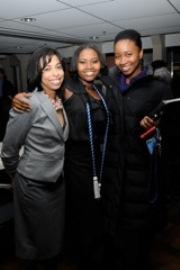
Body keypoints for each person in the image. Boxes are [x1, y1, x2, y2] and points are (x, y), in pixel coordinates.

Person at [11, 43, 124, 270]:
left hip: (99, 164)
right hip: (73, 169)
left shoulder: (103, 87)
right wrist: (18, 98)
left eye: (94, 61)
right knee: (70, 226)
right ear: (73, 65)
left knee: (88, 223)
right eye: (82, 62)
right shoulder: (67, 87)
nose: (89, 67)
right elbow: (39, 97)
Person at [108, 29, 172, 270]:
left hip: (142, 176)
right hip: (115, 175)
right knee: (116, 240)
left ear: (140, 54)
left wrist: (155, 127)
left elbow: (171, 134)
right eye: (118, 56)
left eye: (128, 54)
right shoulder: (111, 84)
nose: (123, 61)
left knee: (138, 243)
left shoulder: (158, 88)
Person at [1, 47, 69, 270]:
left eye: (58, 66)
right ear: (37, 73)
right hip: (33, 185)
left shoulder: (58, 99)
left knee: (53, 239)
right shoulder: (28, 103)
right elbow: (9, 150)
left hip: (56, 183)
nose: (56, 73)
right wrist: (16, 177)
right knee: (39, 243)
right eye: (47, 68)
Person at [0, 67, 16, 141]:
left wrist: (13, 100)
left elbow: (11, 93)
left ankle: (6, 135)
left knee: (5, 119)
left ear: (3, 74)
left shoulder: (7, 83)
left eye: (1, 73)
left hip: (5, 102)